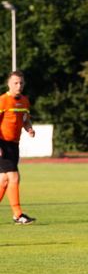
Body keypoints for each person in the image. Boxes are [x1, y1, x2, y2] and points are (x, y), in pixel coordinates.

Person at [0, 71, 36, 224]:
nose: (18, 85)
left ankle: (17, 214)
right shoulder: (3, 100)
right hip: (2, 144)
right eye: (15, 83)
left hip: (14, 145)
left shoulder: (25, 101)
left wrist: (29, 128)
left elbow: (25, 120)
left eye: (21, 83)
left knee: (4, 180)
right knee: (14, 177)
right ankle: (18, 214)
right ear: (9, 84)